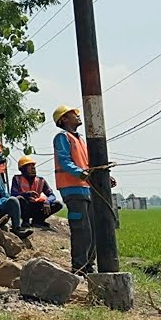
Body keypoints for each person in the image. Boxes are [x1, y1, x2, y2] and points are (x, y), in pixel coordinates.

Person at [53, 105, 117, 274]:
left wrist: (103, 177)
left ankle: (89, 265)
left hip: (87, 188)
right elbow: (64, 160)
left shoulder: (81, 139)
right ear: (64, 119)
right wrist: (79, 173)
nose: (78, 116)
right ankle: (79, 266)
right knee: (82, 230)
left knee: (93, 230)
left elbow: (89, 163)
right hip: (72, 189)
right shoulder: (62, 137)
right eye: (73, 114)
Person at [11, 156, 63, 229]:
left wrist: (47, 202)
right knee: (19, 199)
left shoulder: (41, 180)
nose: (33, 168)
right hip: (25, 206)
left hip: (37, 206)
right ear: (23, 169)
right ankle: (25, 221)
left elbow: (52, 195)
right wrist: (26, 194)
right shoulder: (17, 179)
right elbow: (13, 194)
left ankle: (38, 221)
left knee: (58, 204)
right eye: (30, 167)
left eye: (33, 166)